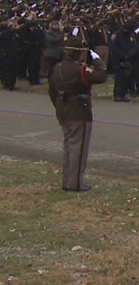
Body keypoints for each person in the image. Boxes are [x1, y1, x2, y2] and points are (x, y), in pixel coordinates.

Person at [48, 30, 109, 191]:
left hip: (64, 110)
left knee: (69, 146)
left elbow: (52, 92)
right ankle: (74, 183)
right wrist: (97, 60)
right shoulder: (80, 69)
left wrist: (59, 106)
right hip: (79, 111)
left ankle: (68, 180)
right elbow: (102, 76)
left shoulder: (57, 68)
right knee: (78, 149)